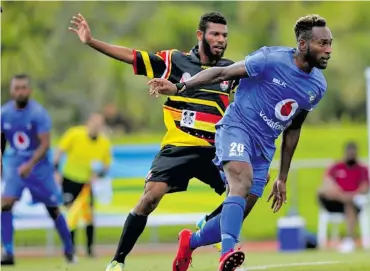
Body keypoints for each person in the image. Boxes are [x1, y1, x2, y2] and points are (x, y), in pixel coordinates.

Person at [68, 12, 264, 271]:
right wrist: (92, 41)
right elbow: (132, 56)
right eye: (215, 34)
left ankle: (209, 227)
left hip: (216, 149)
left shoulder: (229, 71)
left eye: (224, 35)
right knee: (151, 197)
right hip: (178, 146)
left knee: (246, 192)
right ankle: (117, 260)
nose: (220, 40)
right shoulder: (174, 61)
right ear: (200, 35)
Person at [148, 14, 331, 271]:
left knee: (238, 211)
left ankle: (189, 242)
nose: (328, 50)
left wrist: (283, 176)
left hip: (264, 147)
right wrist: (180, 88)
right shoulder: (270, 58)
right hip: (237, 128)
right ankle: (227, 253)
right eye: (322, 43)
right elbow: (221, 72)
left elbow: (294, 128)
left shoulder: (317, 86)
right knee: (240, 182)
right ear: (303, 45)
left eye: (330, 43)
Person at [0, 74, 75, 265]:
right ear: (11, 90)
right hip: (16, 165)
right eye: (16, 87)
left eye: (23, 87)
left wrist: (30, 165)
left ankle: (69, 248)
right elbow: (1, 140)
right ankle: (8, 252)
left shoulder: (38, 113)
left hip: (39, 168)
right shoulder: (4, 113)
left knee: (53, 209)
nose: (20, 91)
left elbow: (45, 144)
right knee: (6, 204)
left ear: (29, 90)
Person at [53, 112, 112, 257]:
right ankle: (70, 249)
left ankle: (90, 249)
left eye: (100, 124)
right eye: (94, 123)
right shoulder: (75, 134)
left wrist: (97, 175)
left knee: (89, 216)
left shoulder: (104, 142)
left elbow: (106, 165)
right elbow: (59, 151)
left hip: (87, 184)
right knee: (71, 213)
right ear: (88, 123)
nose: (96, 127)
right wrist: (56, 170)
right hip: (70, 179)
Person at [317, 142, 370, 253]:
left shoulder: (362, 169)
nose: (351, 155)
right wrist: (341, 195)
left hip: (353, 202)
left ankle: (349, 240)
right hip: (335, 201)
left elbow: (365, 187)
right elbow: (327, 184)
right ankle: (323, 242)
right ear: (345, 153)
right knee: (323, 191)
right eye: (349, 153)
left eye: (353, 153)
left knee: (349, 205)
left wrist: (352, 195)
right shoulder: (335, 167)